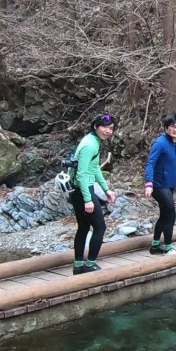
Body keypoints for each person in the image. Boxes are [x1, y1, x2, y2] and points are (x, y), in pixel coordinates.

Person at [70, 113, 118, 275]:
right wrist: (88, 199)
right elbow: (82, 174)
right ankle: (89, 264)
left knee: (83, 227)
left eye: (110, 128)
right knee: (100, 226)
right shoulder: (90, 145)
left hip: (81, 189)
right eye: (104, 127)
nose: (107, 131)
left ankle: (79, 265)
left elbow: (95, 167)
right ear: (95, 126)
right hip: (82, 189)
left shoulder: (94, 141)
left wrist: (106, 190)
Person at [144, 113, 176, 255]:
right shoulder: (160, 143)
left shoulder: (173, 143)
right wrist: (149, 183)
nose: (175, 129)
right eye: (172, 127)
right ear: (166, 127)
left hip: (169, 184)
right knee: (170, 214)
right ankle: (168, 247)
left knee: (164, 214)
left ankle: (155, 245)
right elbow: (150, 163)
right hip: (159, 185)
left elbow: (168, 162)